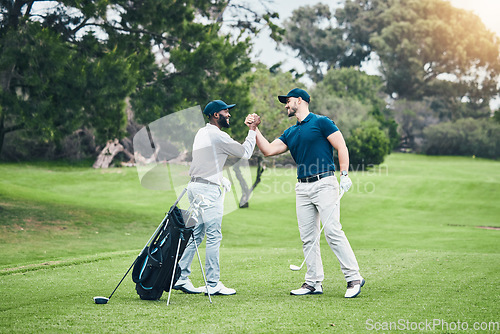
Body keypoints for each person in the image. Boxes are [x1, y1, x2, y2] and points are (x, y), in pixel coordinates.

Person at [251, 88, 364, 298]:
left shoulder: (322, 122)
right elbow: (267, 150)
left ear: (300, 100)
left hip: (325, 182)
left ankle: (354, 278)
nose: (286, 104)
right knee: (308, 238)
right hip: (302, 187)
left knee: (332, 231)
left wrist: (345, 174)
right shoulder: (290, 133)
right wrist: (254, 129)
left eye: (288, 101)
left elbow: (341, 146)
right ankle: (313, 282)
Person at [173, 99, 260, 296]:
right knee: (214, 235)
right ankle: (212, 284)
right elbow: (245, 152)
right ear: (215, 115)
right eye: (225, 111)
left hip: (195, 186)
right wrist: (252, 129)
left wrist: (220, 178)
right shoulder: (218, 135)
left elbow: (206, 161)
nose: (229, 114)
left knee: (197, 233)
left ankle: (181, 276)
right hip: (207, 190)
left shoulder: (202, 132)